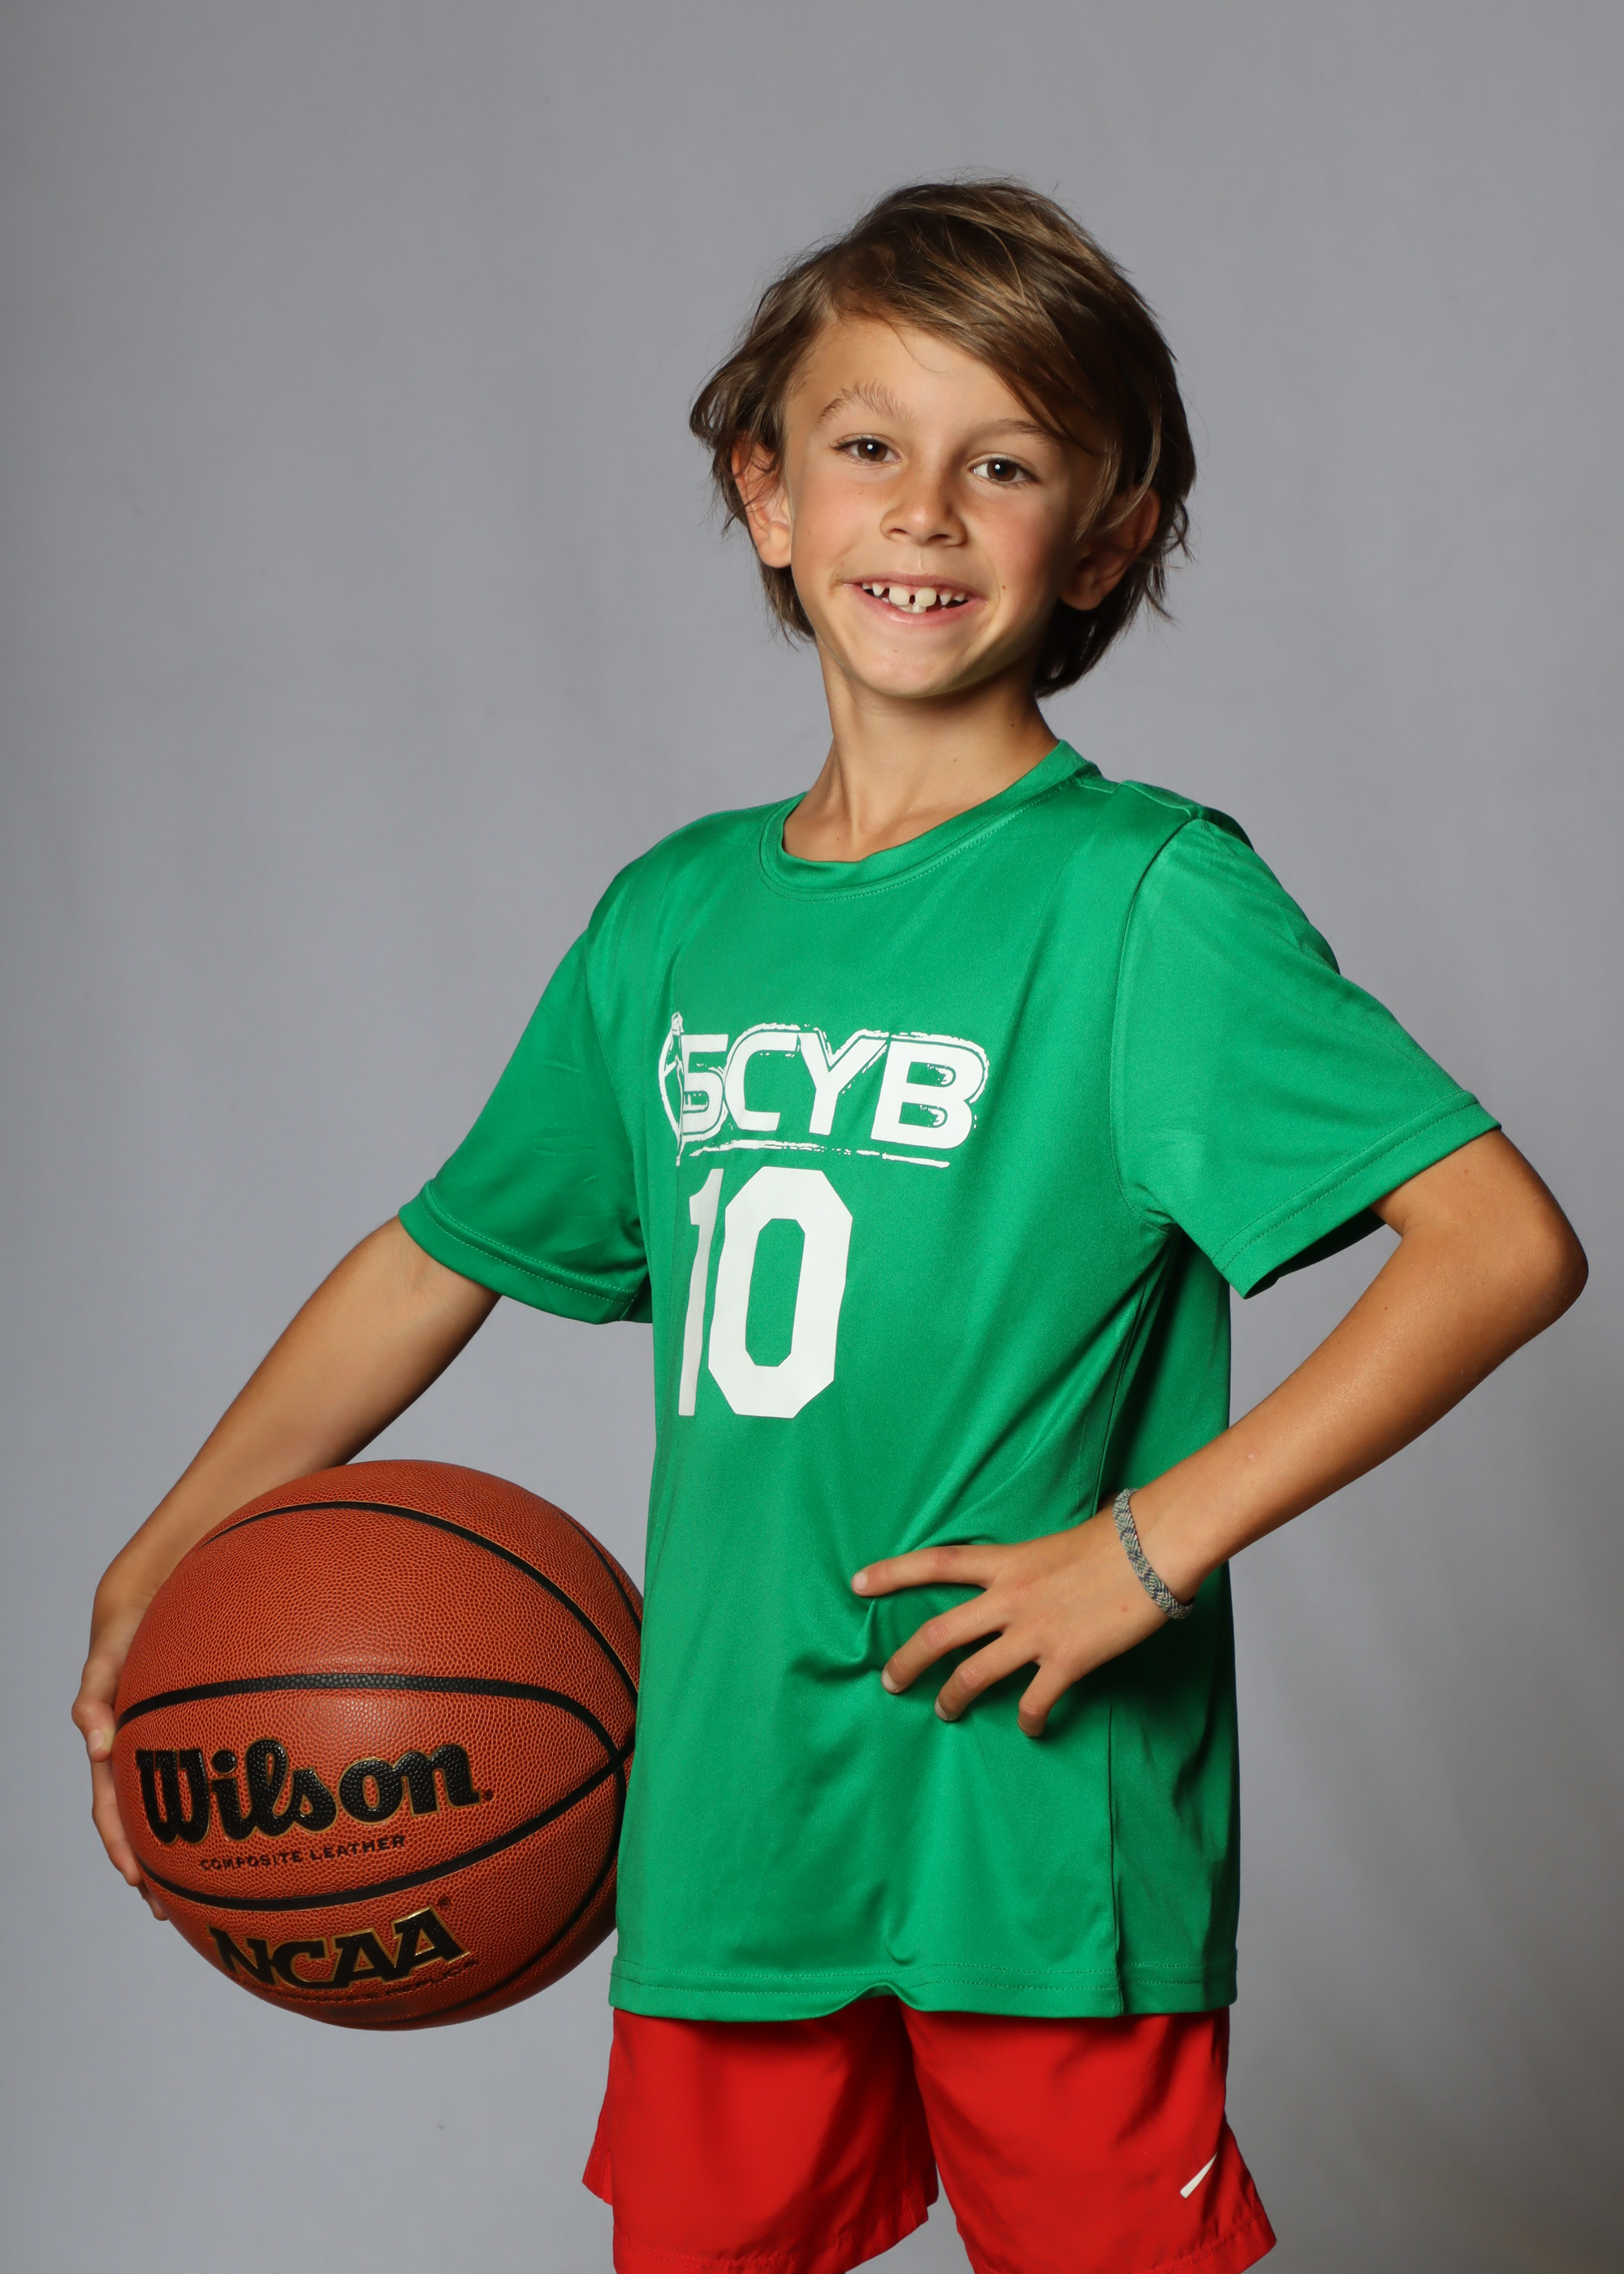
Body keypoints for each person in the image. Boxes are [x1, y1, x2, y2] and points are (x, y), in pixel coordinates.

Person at [74, 181, 1587, 2274]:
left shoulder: (1140, 898)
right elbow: (437, 1256)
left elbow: (1501, 1243)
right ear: (766, 493)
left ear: (1109, 537)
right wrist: (170, 1546)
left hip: (1036, 1827)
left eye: (1008, 463)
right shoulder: (672, 918)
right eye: (869, 444)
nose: (928, 511)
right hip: (731, 1814)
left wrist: (1148, 1550)